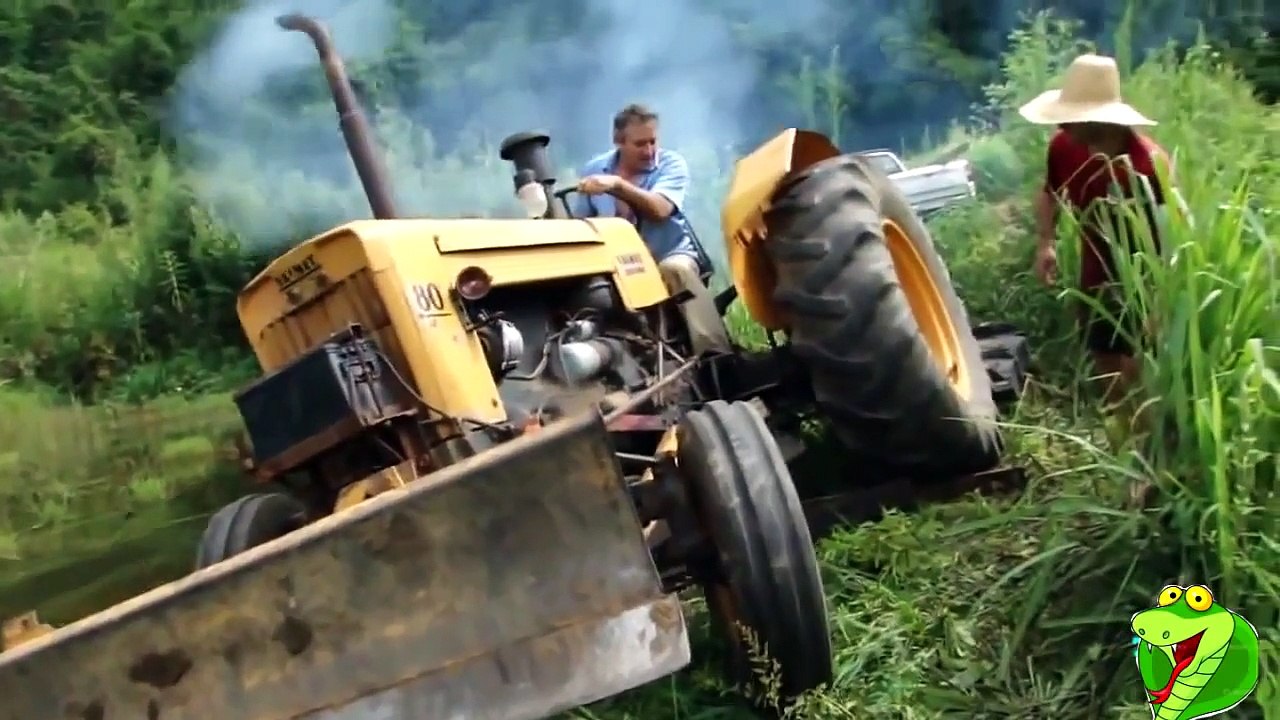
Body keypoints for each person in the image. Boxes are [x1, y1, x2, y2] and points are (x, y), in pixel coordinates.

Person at [1018, 53, 1177, 410]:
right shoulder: (1064, 146)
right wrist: (1046, 242)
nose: (1062, 125)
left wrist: (1160, 305)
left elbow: (1174, 238)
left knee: (1141, 379)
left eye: (1069, 118)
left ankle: (1150, 439)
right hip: (1096, 279)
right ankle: (1120, 431)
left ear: (1095, 120)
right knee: (1107, 372)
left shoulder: (1149, 165)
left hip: (1144, 285)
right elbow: (1049, 193)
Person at [570, 103, 732, 356]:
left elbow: (660, 209)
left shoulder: (671, 165)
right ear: (618, 141)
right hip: (617, 263)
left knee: (676, 270)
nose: (649, 151)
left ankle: (716, 356)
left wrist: (617, 186)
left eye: (653, 142)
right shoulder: (595, 169)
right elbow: (580, 222)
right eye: (640, 144)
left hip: (666, 253)